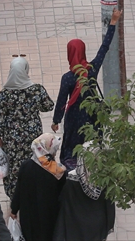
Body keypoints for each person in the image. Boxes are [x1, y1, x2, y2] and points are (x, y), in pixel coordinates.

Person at [52, 10, 122, 164]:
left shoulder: (67, 78)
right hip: (92, 115)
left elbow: (62, 102)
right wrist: (113, 23)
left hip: (73, 118)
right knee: (93, 146)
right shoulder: (92, 69)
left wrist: (56, 120)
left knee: (72, 150)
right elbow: (104, 48)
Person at [0, 55, 54, 198]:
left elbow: (0, 117)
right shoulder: (36, 90)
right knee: (34, 163)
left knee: (14, 167)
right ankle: (32, 193)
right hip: (32, 138)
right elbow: (48, 106)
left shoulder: (5, 93)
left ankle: (15, 197)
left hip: (11, 140)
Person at [9, 133, 66, 241]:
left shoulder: (25, 166)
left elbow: (19, 191)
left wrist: (14, 210)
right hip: (49, 217)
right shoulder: (58, 171)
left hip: (28, 216)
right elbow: (61, 197)